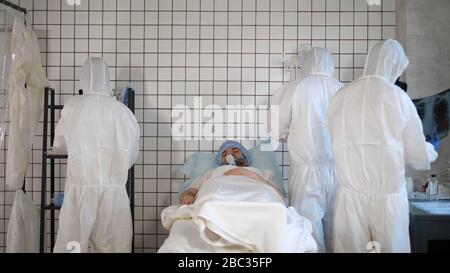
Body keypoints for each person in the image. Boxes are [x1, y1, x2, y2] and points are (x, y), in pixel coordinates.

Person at [327, 39, 438, 253]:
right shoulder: (397, 97)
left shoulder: (341, 95)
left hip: (350, 197)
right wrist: (431, 148)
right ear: (394, 65)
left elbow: (336, 136)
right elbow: (417, 156)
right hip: (388, 200)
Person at [53, 57, 140, 253]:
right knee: (113, 245)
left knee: (73, 245)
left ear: (82, 79)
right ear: (107, 79)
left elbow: (59, 144)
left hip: (80, 192)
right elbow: (132, 153)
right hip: (114, 193)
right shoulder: (122, 111)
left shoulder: (73, 106)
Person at [273, 48, 343, 253]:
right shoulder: (342, 89)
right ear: (331, 64)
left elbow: (276, 128)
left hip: (305, 169)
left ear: (306, 64)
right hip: (339, 169)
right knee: (338, 224)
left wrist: (289, 133)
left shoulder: (294, 88)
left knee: (307, 226)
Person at [179, 141, 283, 205]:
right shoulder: (212, 173)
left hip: (256, 200)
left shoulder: (263, 173)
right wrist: (187, 197)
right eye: (224, 154)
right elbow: (189, 192)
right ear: (220, 162)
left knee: (263, 199)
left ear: (246, 158)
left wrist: (254, 176)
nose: (230, 154)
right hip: (216, 200)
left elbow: (279, 197)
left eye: (235, 151)